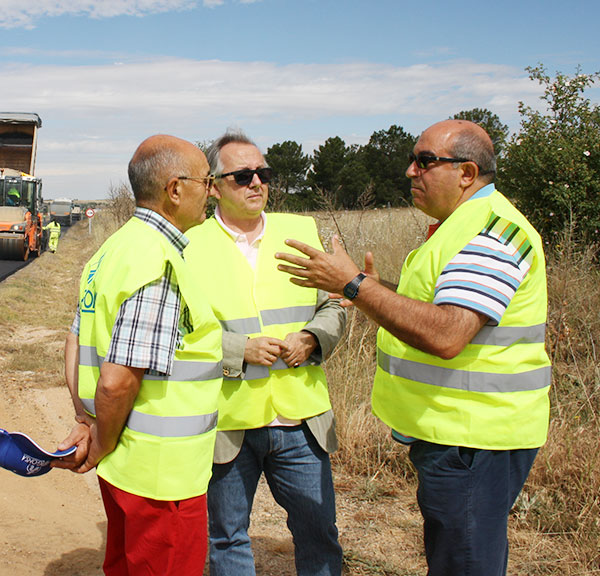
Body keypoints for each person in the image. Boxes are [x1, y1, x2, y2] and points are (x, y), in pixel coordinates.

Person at [275, 119, 551, 576]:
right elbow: (440, 308)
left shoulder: (493, 233)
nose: (410, 171)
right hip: (458, 435)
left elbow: (447, 334)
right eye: (412, 160)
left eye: (425, 161)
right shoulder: (459, 226)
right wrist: (373, 288)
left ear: (466, 173)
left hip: (475, 439)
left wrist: (356, 285)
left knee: (465, 563)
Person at [52, 134, 222, 575]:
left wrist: (86, 421)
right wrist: (100, 443)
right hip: (162, 479)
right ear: (175, 189)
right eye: (207, 181)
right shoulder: (156, 261)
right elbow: (117, 381)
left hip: (126, 469)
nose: (214, 191)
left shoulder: (112, 250)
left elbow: (75, 344)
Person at [182, 130, 344, 576]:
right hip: (228, 423)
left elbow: (333, 306)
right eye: (242, 176)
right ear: (214, 187)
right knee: (227, 537)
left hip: (302, 421)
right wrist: (239, 349)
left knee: (319, 533)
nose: (256, 182)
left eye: (263, 173)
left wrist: (312, 338)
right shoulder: (188, 244)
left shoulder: (301, 232)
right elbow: (177, 331)